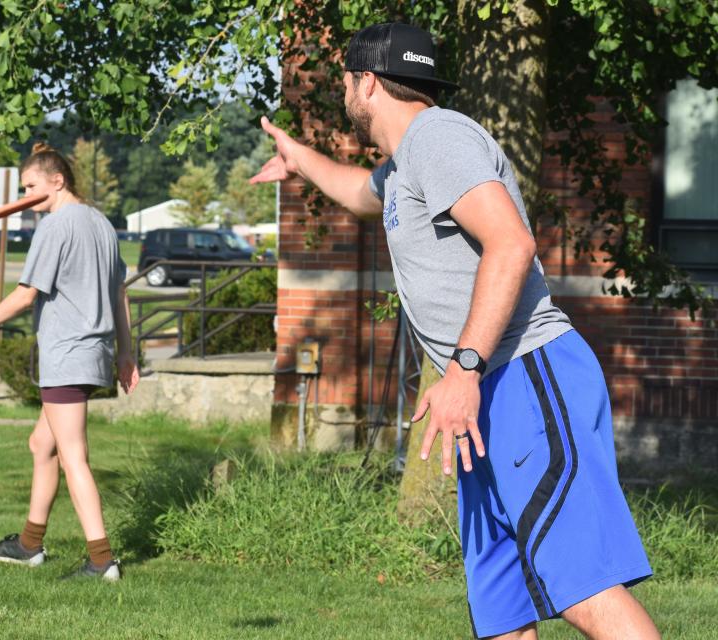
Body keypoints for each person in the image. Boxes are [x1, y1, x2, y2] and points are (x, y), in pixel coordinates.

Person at [251, 22, 659, 640]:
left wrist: (464, 368)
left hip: (524, 372)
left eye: (344, 81)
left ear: (366, 82)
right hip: (484, 397)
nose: (343, 94)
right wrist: (299, 160)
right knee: (504, 608)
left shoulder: (438, 137)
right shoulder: (405, 162)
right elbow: (362, 195)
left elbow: (511, 242)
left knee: (584, 588)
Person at [0, 142, 139, 581]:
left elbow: (26, 294)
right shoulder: (102, 224)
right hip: (92, 353)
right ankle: (29, 545)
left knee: (74, 456)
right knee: (42, 444)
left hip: (68, 352)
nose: (27, 196)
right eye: (23, 188)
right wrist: (125, 353)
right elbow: (120, 292)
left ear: (58, 181)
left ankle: (101, 560)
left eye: (32, 186)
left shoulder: (55, 228)